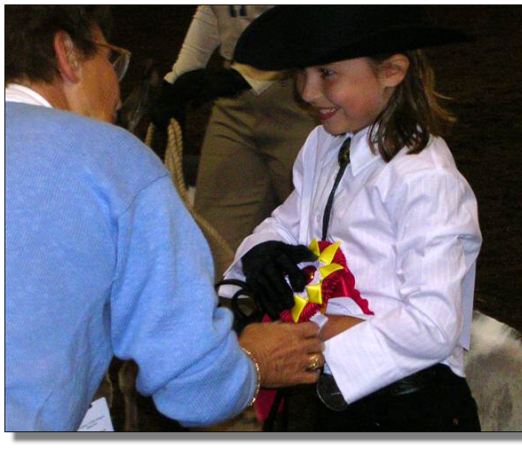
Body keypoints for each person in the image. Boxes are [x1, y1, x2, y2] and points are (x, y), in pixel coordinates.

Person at [5, 5, 323, 432]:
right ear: (69, 54)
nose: (118, 92)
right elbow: (194, 387)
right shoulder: (113, 160)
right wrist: (253, 363)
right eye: (111, 59)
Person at [221, 5, 483, 431]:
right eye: (302, 73)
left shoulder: (425, 180)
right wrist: (261, 252)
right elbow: (289, 220)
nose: (308, 92)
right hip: (330, 397)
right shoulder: (323, 145)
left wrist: (320, 347)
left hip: (409, 409)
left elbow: (435, 324)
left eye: (327, 74)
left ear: (391, 71)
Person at [150, 5, 317, 251]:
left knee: (315, 228)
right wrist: (178, 78)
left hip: (305, 96)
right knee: (215, 242)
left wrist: (246, 76)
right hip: (234, 95)